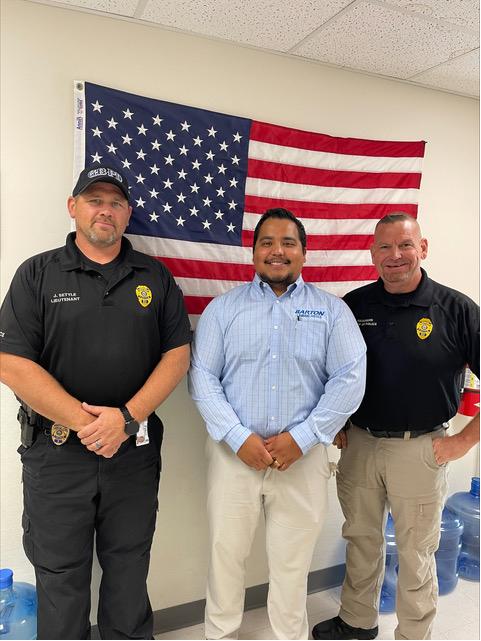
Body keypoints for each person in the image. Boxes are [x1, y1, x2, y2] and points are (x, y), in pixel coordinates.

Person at [0, 165, 192, 640]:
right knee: (60, 575)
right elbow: (11, 364)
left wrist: (125, 419)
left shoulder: (155, 276)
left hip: (134, 451)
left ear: (127, 214)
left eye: (115, 202)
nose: (104, 210)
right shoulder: (38, 273)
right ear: (73, 208)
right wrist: (90, 425)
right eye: (93, 200)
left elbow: (177, 354)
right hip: (57, 453)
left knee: (128, 568)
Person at [188, 208, 366, 640]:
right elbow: (202, 377)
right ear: (253, 253)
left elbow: (350, 378)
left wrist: (301, 438)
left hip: (302, 460)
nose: (277, 251)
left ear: (304, 253)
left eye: (288, 242)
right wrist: (237, 436)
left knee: (292, 563)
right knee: (224, 555)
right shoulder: (222, 310)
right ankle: (221, 634)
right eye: (266, 242)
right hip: (234, 457)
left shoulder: (331, 312)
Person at [312, 213, 480, 641]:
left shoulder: (456, 309)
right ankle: (357, 622)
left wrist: (463, 440)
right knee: (363, 542)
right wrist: (338, 422)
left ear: (422, 249)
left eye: (405, 245)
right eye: (384, 247)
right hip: (361, 445)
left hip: (420, 449)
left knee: (416, 555)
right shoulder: (355, 305)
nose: (395, 256)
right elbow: (334, 372)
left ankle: (412, 636)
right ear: (372, 255)